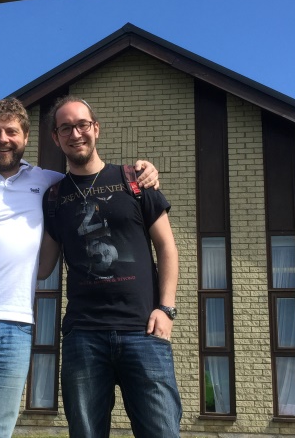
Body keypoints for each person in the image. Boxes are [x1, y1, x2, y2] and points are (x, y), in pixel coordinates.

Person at [0, 97, 158, 438]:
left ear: (26, 137)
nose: (3, 138)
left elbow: (91, 173)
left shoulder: (49, 183)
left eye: (11, 131)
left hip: (16, 328)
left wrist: (144, 170)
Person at [40, 96, 182, 438]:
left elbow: (167, 248)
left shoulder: (134, 179)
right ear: (56, 139)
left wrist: (166, 308)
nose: (76, 133)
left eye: (82, 125)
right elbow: (43, 265)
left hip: (144, 332)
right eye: (65, 128)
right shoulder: (53, 197)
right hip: (83, 336)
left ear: (96, 129)